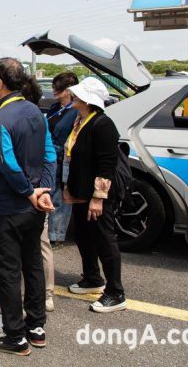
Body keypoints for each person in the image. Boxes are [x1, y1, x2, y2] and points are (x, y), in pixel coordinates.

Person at [0, 57, 55, 356]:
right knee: (32, 263)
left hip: (10, 205)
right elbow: (50, 153)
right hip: (34, 204)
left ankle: (15, 336)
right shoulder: (36, 111)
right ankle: (36, 328)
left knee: (9, 270)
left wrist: (28, 192)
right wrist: (42, 190)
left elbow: (7, 163)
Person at [64, 77, 126, 313]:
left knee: (104, 240)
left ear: (89, 100)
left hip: (97, 195)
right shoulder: (81, 119)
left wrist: (98, 197)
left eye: (78, 95)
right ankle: (92, 278)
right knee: (84, 236)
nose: (74, 97)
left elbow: (106, 164)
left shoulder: (103, 124)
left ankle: (116, 292)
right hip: (81, 192)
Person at [46, 72, 79, 245]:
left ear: (69, 90)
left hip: (62, 158)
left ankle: (56, 235)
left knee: (60, 197)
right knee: (51, 195)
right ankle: (51, 232)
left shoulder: (75, 111)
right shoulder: (55, 108)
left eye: (58, 88)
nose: (54, 91)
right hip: (50, 156)